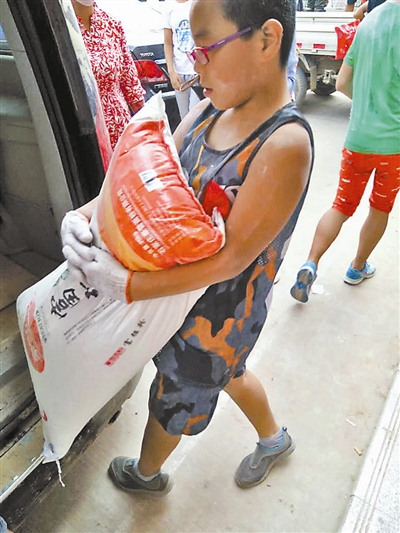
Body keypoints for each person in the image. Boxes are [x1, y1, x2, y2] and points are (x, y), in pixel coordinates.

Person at [62, 0, 314, 494]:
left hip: (217, 318)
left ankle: (145, 475)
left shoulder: (284, 144)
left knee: (173, 398)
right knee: (231, 373)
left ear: (266, 39)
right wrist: (84, 214)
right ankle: (274, 439)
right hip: (178, 298)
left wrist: (126, 285)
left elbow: (231, 261)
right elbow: (145, 177)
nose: (193, 65)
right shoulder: (206, 110)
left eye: (205, 47)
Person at [290, 0, 400, 304]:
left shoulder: (368, 23)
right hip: (393, 147)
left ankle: (310, 263)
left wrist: (366, 104)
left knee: (341, 205)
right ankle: (357, 267)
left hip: (357, 139)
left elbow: (342, 83)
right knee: (380, 208)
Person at [71, 0, 145, 149]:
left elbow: (131, 85)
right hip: (85, 131)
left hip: (120, 129)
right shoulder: (63, 27)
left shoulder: (112, 24)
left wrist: (147, 129)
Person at [163, 0, 203, 120]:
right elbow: (168, 42)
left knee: (194, 117)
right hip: (179, 73)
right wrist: (171, 72)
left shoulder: (197, 4)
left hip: (197, 72)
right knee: (184, 118)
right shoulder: (169, 7)